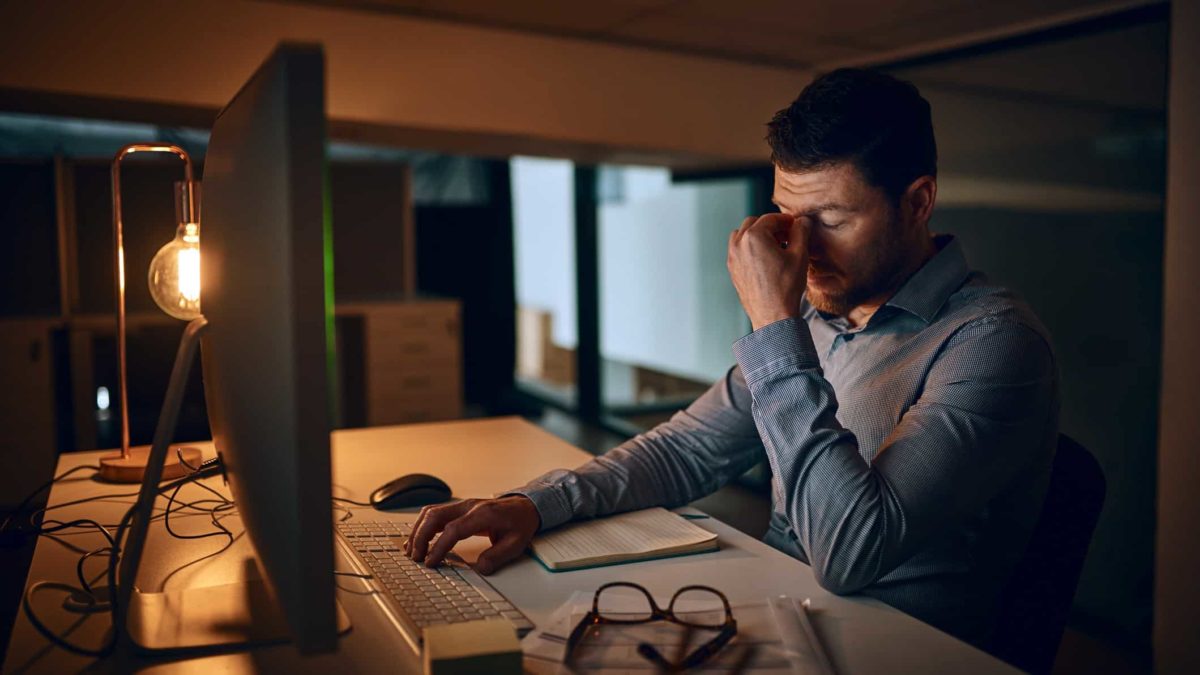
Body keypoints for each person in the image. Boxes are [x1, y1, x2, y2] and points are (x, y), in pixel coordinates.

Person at [405, 68, 1059, 647]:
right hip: (776, 608)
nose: (802, 250)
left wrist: (774, 323)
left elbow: (850, 552)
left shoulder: (995, 343)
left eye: (831, 219)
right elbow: (687, 448)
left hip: (890, 646)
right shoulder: (817, 318)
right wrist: (534, 503)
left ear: (918, 202)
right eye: (785, 216)